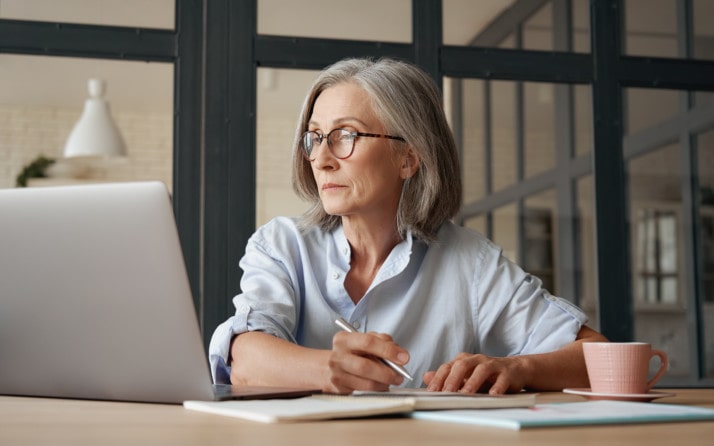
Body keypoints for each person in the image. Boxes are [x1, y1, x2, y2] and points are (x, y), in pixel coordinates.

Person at [209, 57, 607, 395]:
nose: (322, 159)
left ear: (409, 158)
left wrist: (519, 369)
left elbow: (601, 357)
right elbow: (243, 358)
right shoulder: (282, 244)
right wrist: (330, 369)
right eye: (315, 138)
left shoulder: (471, 263)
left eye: (345, 135)